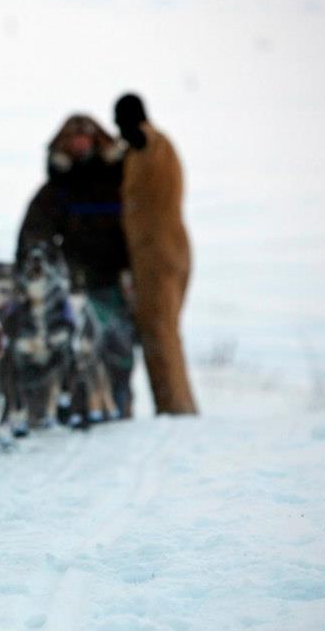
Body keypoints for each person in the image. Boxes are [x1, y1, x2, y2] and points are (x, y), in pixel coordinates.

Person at [17, 114, 135, 417]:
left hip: (114, 276)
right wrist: (32, 269)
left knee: (118, 344)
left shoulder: (119, 181)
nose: (81, 144)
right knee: (71, 347)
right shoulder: (56, 191)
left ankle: (118, 401)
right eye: (74, 139)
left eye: (86, 138)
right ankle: (75, 403)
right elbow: (34, 233)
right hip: (73, 281)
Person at [114, 93, 197, 415]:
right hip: (168, 251)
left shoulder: (148, 143)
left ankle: (175, 408)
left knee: (158, 332)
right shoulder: (158, 145)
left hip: (157, 255)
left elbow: (142, 141)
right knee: (165, 332)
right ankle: (179, 405)